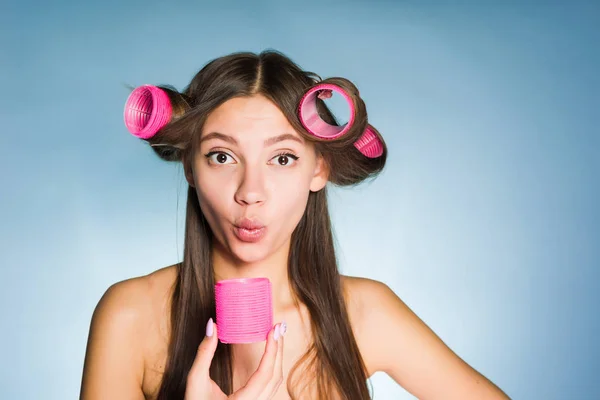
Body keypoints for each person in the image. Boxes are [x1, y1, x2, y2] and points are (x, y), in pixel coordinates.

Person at [80, 50, 510, 399]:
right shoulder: (131, 316)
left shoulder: (365, 314)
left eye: (282, 158)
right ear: (190, 167)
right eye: (222, 156)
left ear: (318, 169)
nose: (251, 191)